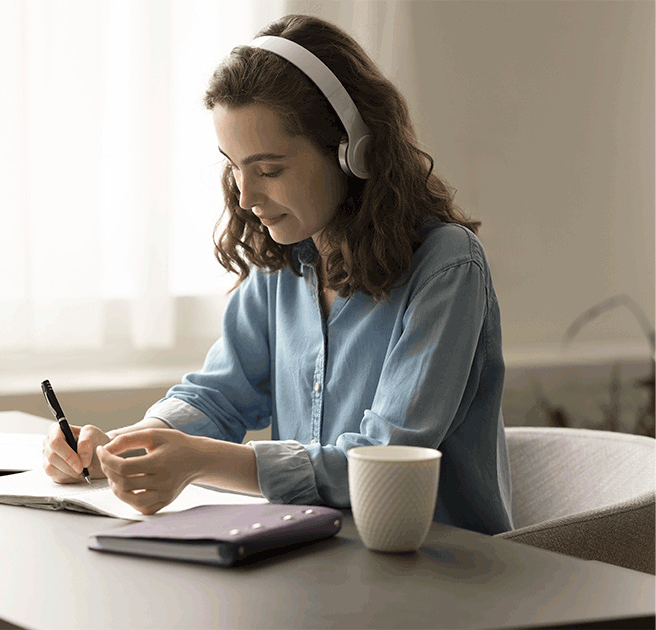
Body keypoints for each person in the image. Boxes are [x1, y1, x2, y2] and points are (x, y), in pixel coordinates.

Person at [42, 14, 513, 535]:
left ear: (354, 153)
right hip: (319, 557)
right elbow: (218, 395)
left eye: (269, 170)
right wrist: (128, 446)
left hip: (441, 567)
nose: (246, 197)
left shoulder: (447, 266)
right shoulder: (282, 263)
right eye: (233, 166)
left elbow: (384, 458)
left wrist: (199, 460)